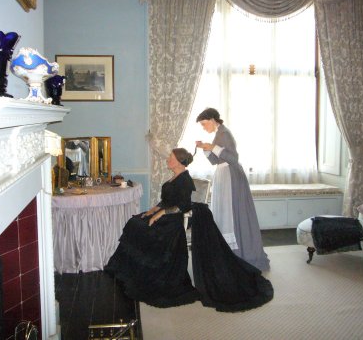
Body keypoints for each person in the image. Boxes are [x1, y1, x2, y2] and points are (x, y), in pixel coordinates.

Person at [104, 148, 273, 312]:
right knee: (135, 222)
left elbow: (182, 205)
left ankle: (152, 270)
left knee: (143, 229)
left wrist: (161, 213)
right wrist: (153, 210)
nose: (168, 160)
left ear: (178, 161)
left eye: (171, 157)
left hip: (174, 220)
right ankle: (134, 270)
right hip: (165, 216)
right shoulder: (174, 177)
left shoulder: (185, 179)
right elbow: (166, 200)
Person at [195, 108, 270, 272]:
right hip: (223, 175)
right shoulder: (218, 134)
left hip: (231, 176)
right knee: (225, 213)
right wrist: (206, 149)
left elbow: (233, 158)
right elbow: (216, 161)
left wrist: (213, 146)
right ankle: (229, 253)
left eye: (204, 123)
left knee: (234, 213)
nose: (203, 127)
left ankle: (241, 253)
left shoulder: (224, 133)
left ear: (212, 119)